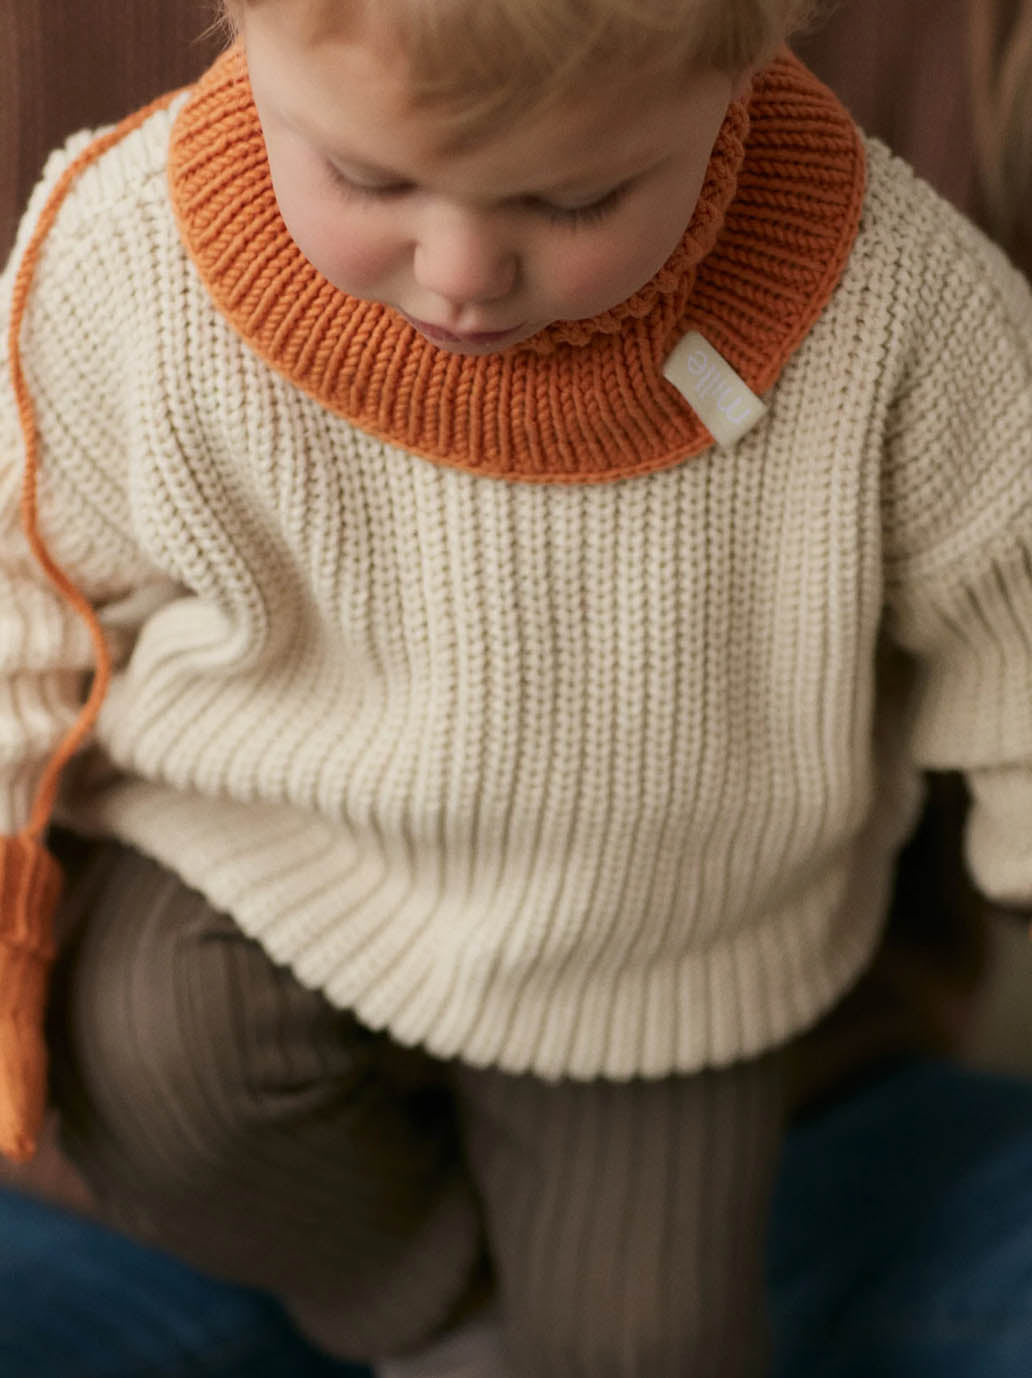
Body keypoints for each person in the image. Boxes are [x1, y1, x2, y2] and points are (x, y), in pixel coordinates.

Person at [2, 2, 1031, 1376]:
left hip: (660, 944)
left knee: (651, 1345)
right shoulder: (132, 252)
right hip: (265, 857)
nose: (461, 271)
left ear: (742, 66)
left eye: (573, 197)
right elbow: (30, 585)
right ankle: (432, 1315)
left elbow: (1012, 606)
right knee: (151, 1078)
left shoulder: (894, 301)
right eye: (370, 180)